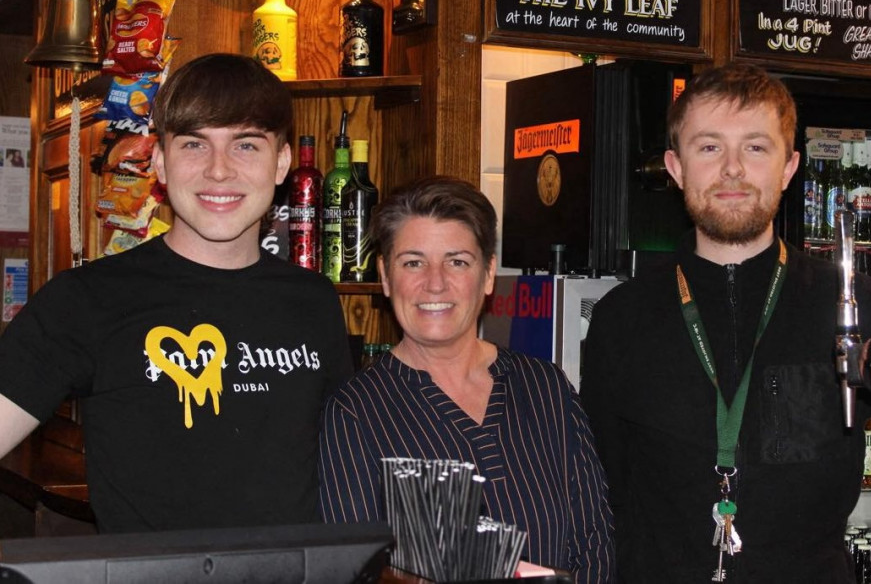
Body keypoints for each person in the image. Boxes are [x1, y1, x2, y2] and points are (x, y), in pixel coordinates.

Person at [580, 63, 871, 583]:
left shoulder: (858, 307)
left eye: (756, 148)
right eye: (709, 147)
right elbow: (598, 497)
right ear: (675, 167)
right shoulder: (621, 318)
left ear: (788, 168)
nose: (733, 169)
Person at [0, 53, 354, 533]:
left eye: (246, 146)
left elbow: (343, 469)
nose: (219, 171)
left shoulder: (313, 301)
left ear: (282, 163)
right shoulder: (88, 298)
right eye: (194, 145)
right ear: (161, 163)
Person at [318, 176, 615, 583]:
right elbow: (354, 574)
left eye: (457, 261)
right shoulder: (356, 412)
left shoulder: (546, 387)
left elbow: (595, 543)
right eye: (413, 262)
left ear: (488, 275)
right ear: (386, 277)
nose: (435, 282)